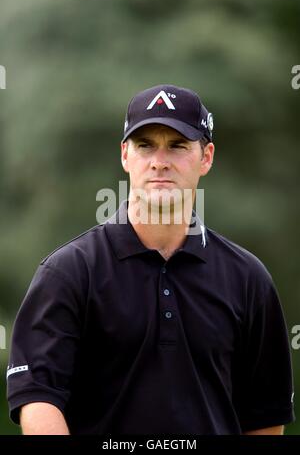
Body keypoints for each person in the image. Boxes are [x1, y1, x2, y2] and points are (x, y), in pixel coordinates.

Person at [7, 84, 295, 435]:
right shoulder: (68, 272)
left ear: (206, 158)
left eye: (177, 146)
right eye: (145, 146)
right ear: (125, 155)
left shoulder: (249, 278)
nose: (160, 161)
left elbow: (265, 416)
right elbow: (38, 400)